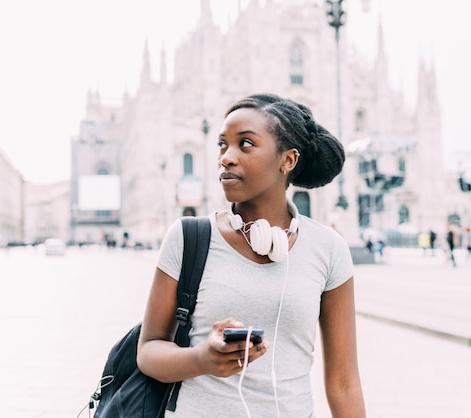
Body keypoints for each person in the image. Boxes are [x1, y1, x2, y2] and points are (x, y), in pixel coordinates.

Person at [137, 93, 365, 417]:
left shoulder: (329, 249)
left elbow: (344, 383)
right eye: (222, 144)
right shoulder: (188, 237)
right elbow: (148, 353)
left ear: (288, 160)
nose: (226, 158)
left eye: (245, 144)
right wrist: (202, 359)